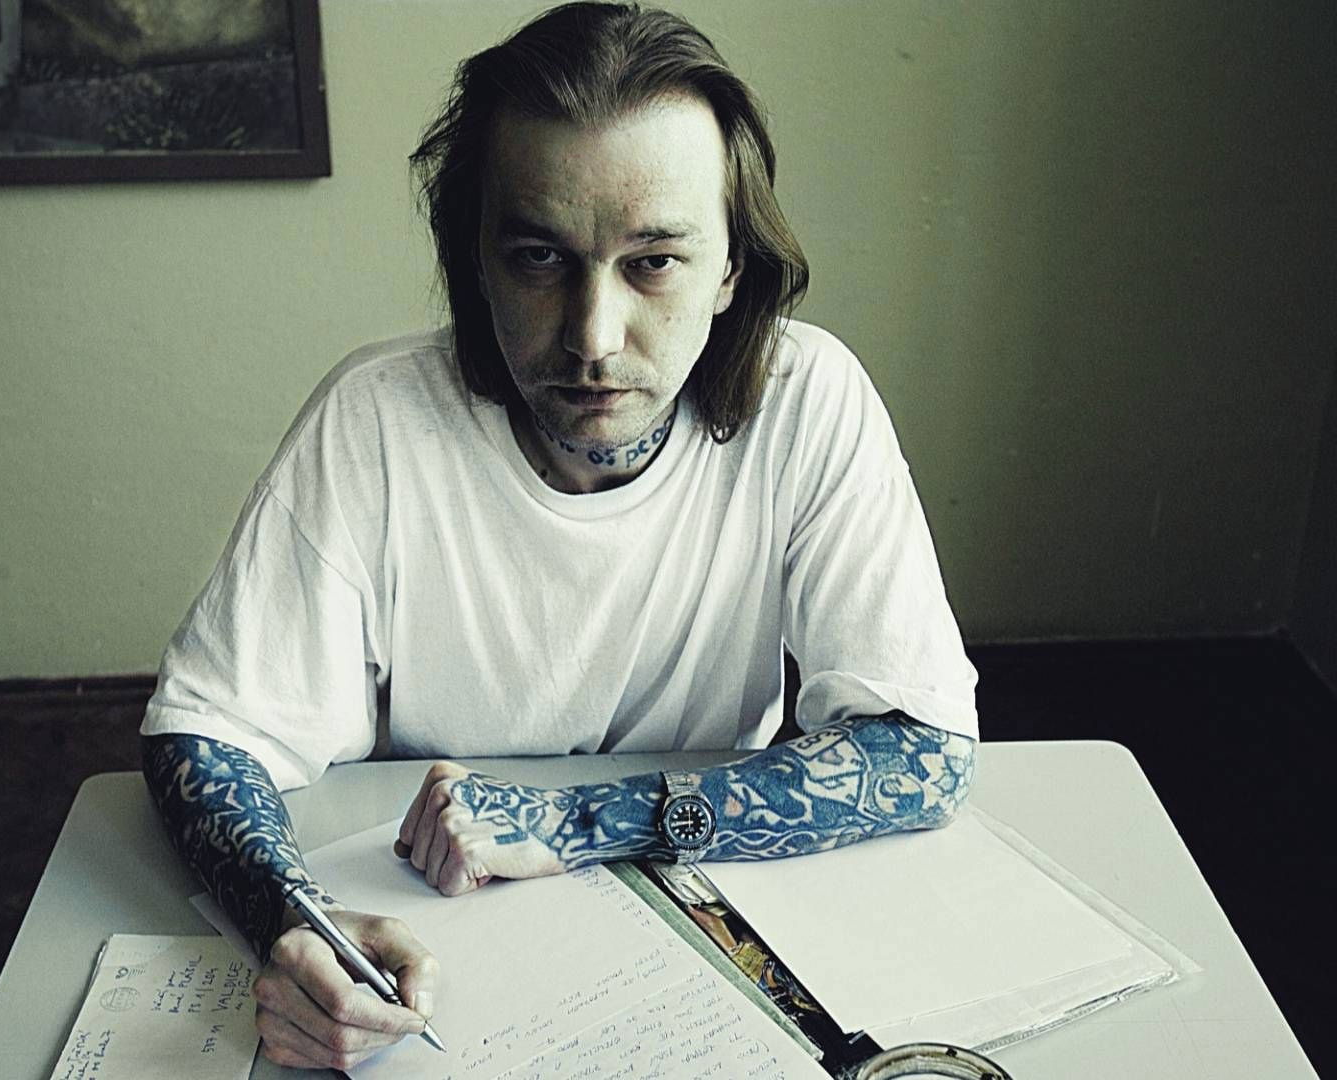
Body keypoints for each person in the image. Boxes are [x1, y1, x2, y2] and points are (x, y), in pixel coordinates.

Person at [138, 2, 979, 1071]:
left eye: (654, 262)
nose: (592, 337)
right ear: (475, 260)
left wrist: (580, 821)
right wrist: (295, 919)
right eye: (539, 257)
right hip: (439, 936)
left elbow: (924, 750)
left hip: (705, 947)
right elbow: (205, 731)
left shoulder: (808, 400)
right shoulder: (376, 419)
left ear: (731, 268)